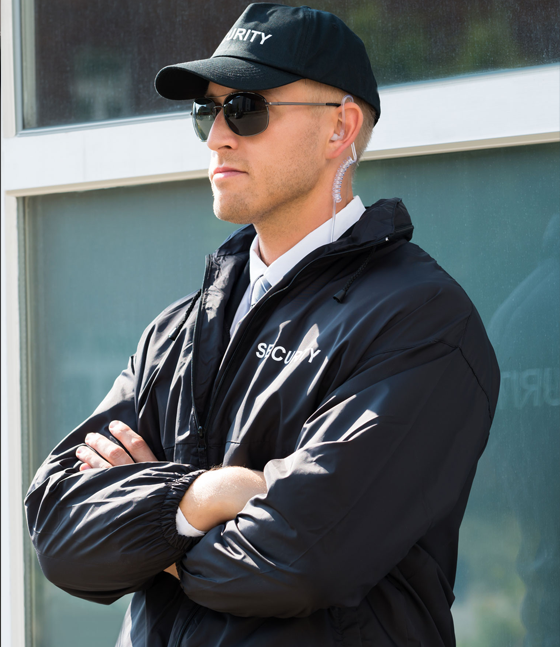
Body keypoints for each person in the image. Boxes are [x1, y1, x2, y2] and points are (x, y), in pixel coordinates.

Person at [25, 4, 500, 646]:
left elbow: (295, 562)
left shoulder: (418, 320)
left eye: (246, 108)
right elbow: (59, 535)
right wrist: (209, 496)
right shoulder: (177, 330)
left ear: (340, 128)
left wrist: (146, 531)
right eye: (207, 112)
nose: (218, 136)